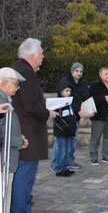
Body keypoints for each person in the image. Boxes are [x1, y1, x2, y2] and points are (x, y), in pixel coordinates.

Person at [10, 38, 58, 213]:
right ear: (31, 55)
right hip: (28, 136)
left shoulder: (18, 69)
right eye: (40, 53)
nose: (43, 56)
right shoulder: (25, 72)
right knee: (23, 181)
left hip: (22, 133)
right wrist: (48, 113)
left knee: (20, 180)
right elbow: (31, 104)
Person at [53, 63, 93, 172]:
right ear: (72, 71)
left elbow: (86, 97)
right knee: (60, 142)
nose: (79, 73)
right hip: (64, 117)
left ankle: (69, 160)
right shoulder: (65, 82)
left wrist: (90, 110)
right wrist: (78, 110)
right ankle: (56, 163)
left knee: (72, 140)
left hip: (75, 117)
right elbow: (68, 99)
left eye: (81, 71)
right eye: (77, 71)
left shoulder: (83, 83)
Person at [0, 67, 29, 212]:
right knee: (2, 202)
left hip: (6, 160)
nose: (17, 88)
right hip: (3, 161)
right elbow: (2, 133)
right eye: (15, 84)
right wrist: (20, 141)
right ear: (4, 83)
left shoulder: (5, 99)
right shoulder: (1, 100)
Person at [52, 82, 78, 176]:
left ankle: (65, 167)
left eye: (70, 91)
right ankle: (59, 168)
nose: (69, 93)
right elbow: (57, 119)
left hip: (69, 131)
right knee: (60, 150)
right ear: (61, 91)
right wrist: (64, 127)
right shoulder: (58, 103)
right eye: (67, 91)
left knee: (67, 150)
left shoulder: (69, 102)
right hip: (62, 131)